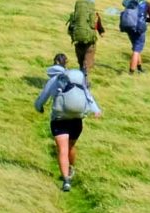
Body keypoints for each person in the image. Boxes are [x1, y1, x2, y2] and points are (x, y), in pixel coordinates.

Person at [34, 52, 101, 191]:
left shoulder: (54, 80)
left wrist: (39, 107)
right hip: (76, 119)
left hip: (59, 119)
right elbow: (88, 95)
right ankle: (70, 169)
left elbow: (43, 97)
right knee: (70, 147)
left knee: (62, 150)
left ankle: (66, 180)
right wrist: (95, 109)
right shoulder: (76, 79)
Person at [118, 0, 150, 74]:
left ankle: (140, 67)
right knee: (136, 50)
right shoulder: (147, 4)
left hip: (129, 27)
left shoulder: (131, 2)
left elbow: (124, 4)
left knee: (136, 47)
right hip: (139, 29)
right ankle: (131, 72)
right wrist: (145, 19)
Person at [66, 0, 102, 73]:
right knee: (87, 63)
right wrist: (101, 33)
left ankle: (80, 73)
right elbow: (99, 27)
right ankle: (84, 80)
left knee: (81, 63)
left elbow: (69, 30)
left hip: (78, 42)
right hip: (89, 43)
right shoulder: (95, 15)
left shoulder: (76, 15)